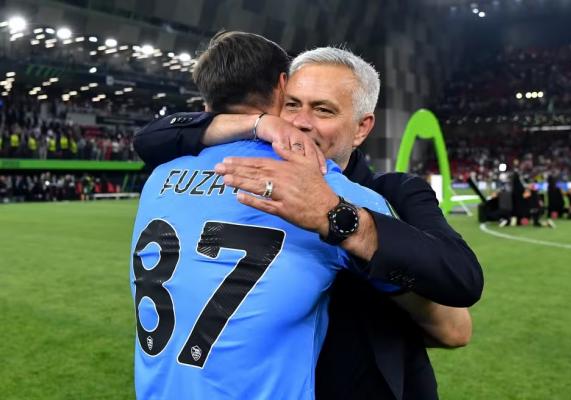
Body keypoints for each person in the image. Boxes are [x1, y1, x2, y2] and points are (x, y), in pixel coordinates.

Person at [134, 41, 483, 400]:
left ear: (361, 128)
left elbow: (457, 322)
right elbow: (150, 137)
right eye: (291, 106)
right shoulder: (251, 177)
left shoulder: (394, 193)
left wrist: (337, 216)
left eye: (323, 110)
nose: (300, 123)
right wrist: (257, 123)